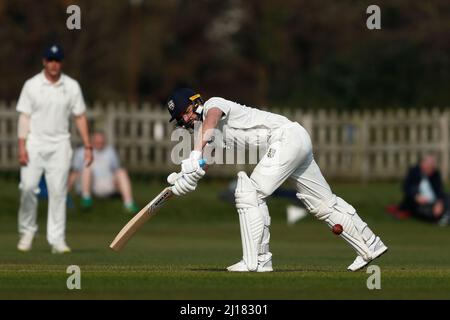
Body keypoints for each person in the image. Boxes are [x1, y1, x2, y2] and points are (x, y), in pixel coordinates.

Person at [165, 88, 388, 272]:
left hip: (286, 139)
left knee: (250, 193)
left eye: (185, 112)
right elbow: (204, 161)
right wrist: (186, 177)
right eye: (180, 119)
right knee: (322, 203)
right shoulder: (206, 135)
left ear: (196, 103)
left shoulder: (214, 105)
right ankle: (370, 244)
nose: (184, 120)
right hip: (294, 140)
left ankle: (258, 261)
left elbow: (210, 122)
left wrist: (194, 154)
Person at [16, 44, 93, 253]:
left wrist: (87, 145)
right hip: (35, 143)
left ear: (61, 63)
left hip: (60, 145)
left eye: (57, 60)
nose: (53, 64)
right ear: (44, 61)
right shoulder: (31, 85)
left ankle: (57, 239)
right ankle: (27, 231)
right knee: (28, 188)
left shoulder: (71, 86)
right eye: (50, 60)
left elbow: (79, 116)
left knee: (58, 191)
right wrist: (21, 147)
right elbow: (24, 117)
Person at [68, 131, 139, 214]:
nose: (99, 144)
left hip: (106, 184)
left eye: (101, 142)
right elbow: (75, 172)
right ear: (92, 141)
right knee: (87, 166)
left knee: (121, 172)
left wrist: (117, 182)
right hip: (89, 183)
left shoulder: (110, 152)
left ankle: (128, 204)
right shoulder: (81, 152)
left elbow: (116, 170)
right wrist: (67, 188)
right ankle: (86, 198)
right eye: (97, 142)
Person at [397, 154, 450, 226]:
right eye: (429, 164)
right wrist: (416, 197)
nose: (431, 167)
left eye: (432, 164)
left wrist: (439, 202)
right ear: (423, 163)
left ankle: (444, 216)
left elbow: (439, 190)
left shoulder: (435, 174)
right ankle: (441, 217)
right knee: (422, 209)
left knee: (447, 198)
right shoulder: (414, 172)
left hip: (434, 201)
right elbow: (407, 187)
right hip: (419, 203)